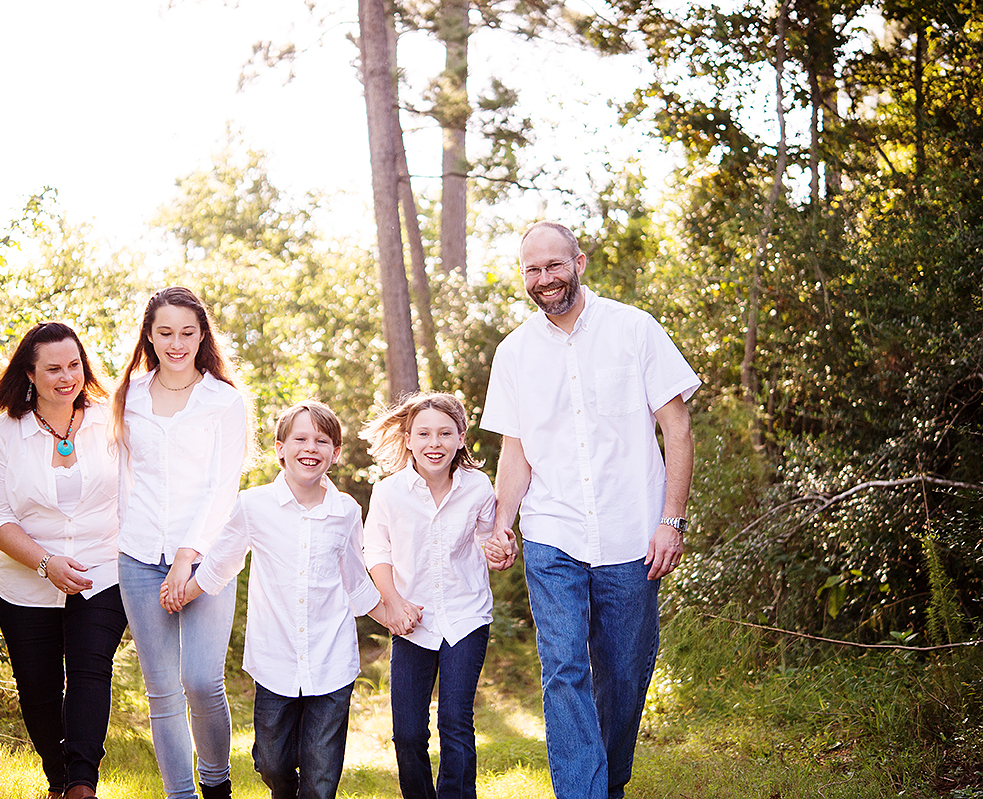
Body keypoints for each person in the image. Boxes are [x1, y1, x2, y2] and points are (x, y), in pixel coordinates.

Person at [480, 221, 699, 799]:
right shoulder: (514, 353)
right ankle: (584, 793)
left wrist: (671, 520)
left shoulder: (635, 329)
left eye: (555, 265)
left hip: (633, 533)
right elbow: (517, 450)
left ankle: (611, 780)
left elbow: (677, 427)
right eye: (533, 269)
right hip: (553, 531)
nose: (545, 278)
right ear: (522, 275)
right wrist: (503, 523)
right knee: (564, 670)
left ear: (579, 262)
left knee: (624, 674)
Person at [181, 400, 391, 799]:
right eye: (301, 438)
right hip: (275, 659)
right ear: (280, 447)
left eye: (322, 440)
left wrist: (392, 613)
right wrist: (183, 593)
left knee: (321, 776)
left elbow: (356, 582)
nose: (310, 447)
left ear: (336, 453)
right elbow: (220, 564)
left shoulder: (345, 511)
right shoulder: (253, 505)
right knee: (273, 762)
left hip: (331, 661)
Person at [0, 321, 127, 799]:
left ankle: (83, 785)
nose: (67, 377)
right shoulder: (2, 436)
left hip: (102, 570)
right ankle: (58, 781)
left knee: (89, 670)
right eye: (54, 368)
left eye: (75, 365)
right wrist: (46, 564)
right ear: (30, 374)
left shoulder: (112, 420)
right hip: (24, 580)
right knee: (38, 689)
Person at [112, 287, 247, 799]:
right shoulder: (131, 396)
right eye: (165, 332)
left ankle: (216, 783)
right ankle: (180, 796)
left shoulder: (225, 400)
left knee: (201, 681)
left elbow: (222, 486)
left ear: (201, 335)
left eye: (187, 332)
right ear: (149, 335)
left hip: (208, 557)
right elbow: (124, 479)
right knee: (163, 692)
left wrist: (188, 557)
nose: (176, 343)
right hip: (140, 557)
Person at [361, 392, 503, 799]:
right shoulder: (389, 492)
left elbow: (489, 541)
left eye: (444, 433)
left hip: (466, 616)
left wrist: (500, 551)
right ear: (408, 439)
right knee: (407, 732)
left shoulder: (477, 487)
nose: (434, 443)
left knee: (455, 720)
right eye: (423, 433)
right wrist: (395, 603)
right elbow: (377, 551)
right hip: (412, 621)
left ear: (461, 438)